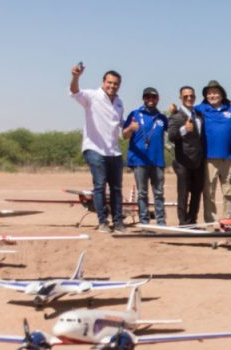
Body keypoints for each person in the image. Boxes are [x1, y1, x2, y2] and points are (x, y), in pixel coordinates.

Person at [68, 63, 125, 233]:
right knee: (100, 185)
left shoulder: (119, 103)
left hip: (113, 150)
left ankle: (118, 222)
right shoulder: (92, 96)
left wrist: (133, 127)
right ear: (103, 82)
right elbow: (74, 91)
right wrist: (75, 76)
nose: (112, 86)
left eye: (115, 84)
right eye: (109, 82)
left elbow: (121, 125)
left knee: (116, 187)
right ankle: (103, 222)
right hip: (94, 148)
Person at [193, 80, 231, 223]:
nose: (212, 95)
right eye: (209, 93)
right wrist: (175, 109)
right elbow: (185, 111)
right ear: (206, 96)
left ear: (222, 94)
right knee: (209, 193)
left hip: (228, 159)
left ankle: (227, 222)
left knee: (228, 192)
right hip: (209, 159)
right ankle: (211, 223)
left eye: (215, 92)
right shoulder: (200, 109)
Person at [122, 87, 168, 225]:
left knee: (159, 193)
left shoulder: (162, 118)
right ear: (143, 99)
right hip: (139, 160)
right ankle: (144, 222)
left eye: (153, 97)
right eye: (147, 97)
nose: (150, 100)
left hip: (157, 160)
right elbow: (124, 135)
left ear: (158, 99)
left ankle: (161, 222)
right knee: (142, 193)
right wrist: (130, 128)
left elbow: (171, 131)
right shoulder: (135, 114)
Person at [166, 86, 204, 225]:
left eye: (191, 96)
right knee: (183, 193)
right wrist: (184, 129)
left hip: (199, 160)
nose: (189, 98)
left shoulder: (199, 116)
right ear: (180, 97)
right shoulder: (176, 117)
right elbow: (171, 136)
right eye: (185, 96)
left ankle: (192, 220)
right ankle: (183, 222)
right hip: (183, 160)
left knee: (196, 192)